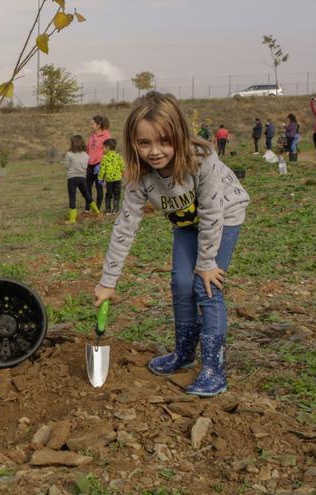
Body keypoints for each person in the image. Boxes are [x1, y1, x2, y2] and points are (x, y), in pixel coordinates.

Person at [93, 92, 250, 397]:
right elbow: (125, 227)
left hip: (223, 215)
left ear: (179, 134)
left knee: (205, 286)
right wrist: (107, 282)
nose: (155, 151)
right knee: (180, 283)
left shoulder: (201, 161)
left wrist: (206, 264)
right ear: (131, 142)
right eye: (144, 143)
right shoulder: (140, 177)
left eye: (164, 141)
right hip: (185, 222)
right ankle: (184, 352)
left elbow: (211, 213)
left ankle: (213, 368)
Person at [65, 135, 100, 224]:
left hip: (72, 178)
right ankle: (97, 211)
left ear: (73, 143)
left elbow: (67, 166)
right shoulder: (86, 155)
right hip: (82, 178)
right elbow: (85, 166)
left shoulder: (69, 154)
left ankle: (72, 219)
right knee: (86, 195)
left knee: (72, 197)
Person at [86, 115, 112, 210]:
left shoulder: (106, 136)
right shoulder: (92, 135)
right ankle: (87, 209)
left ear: (98, 125)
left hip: (99, 166)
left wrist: (102, 164)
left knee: (99, 188)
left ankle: (97, 209)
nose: (90, 125)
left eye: (92, 124)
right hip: (89, 165)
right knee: (87, 188)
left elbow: (109, 152)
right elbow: (88, 149)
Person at [98, 138, 124, 214]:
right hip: (117, 179)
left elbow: (102, 169)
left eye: (103, 148)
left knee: (108, 194)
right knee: (117, 194)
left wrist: (100, 178)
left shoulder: (104, 157)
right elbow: (122, 165)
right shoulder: (118, 156)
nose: (102, 150)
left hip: (109, 180)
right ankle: (115, 210)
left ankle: (108, 210)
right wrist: (123, 172)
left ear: (108, 147)